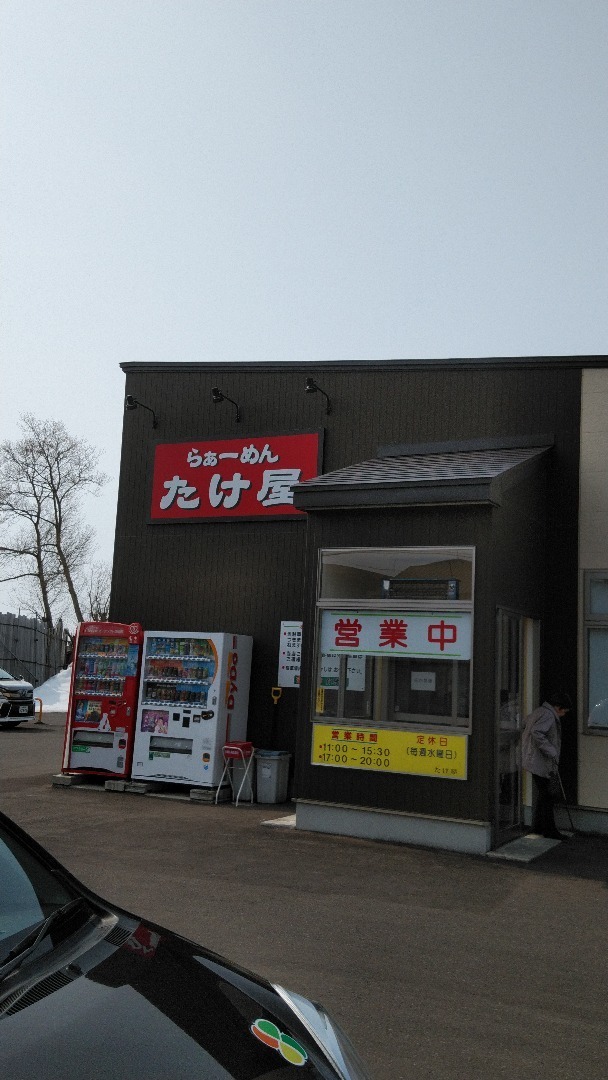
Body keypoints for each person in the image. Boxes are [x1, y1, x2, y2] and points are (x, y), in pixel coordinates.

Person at [521, 691, 572, 840]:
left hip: (532, 759)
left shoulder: (539, 711)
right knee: (547, 796)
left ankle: (538, 827)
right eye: (564, 711)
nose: (564, 715)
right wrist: (552, 751)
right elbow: (537, 732)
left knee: (544, 795)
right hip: (540, 761)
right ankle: (549, 831)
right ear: (558, 707)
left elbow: (525, 723)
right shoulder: (549, 716)